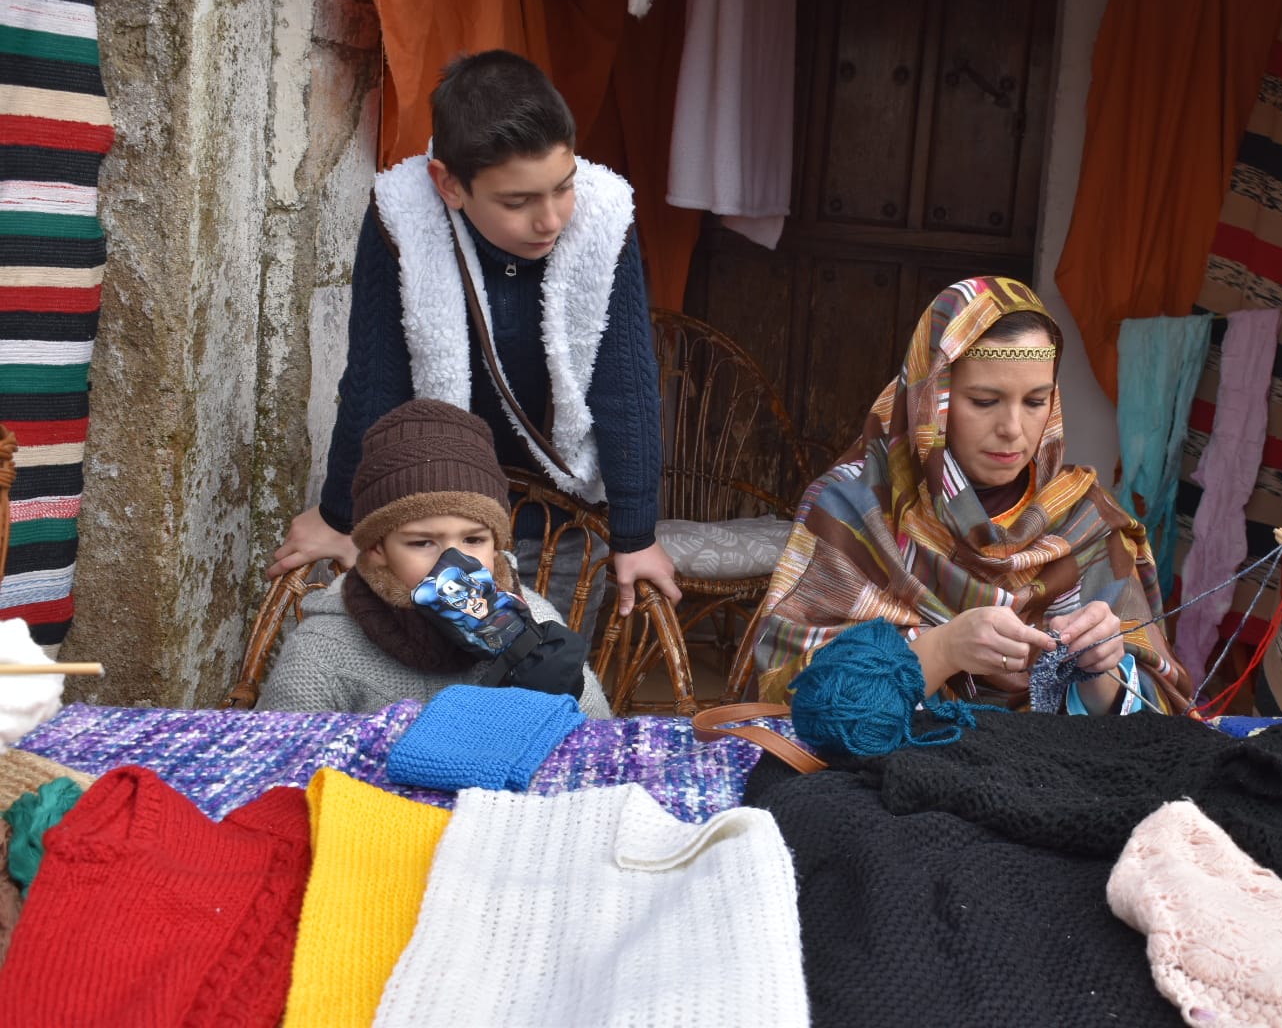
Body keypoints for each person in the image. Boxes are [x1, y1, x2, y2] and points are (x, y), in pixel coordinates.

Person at [268, 49, 679, 643]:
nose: (551, 219)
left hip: (559, 515)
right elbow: (375, 382)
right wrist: (340, 515)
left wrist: (637, 533)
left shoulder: (603, 217)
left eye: (562, 188)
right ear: (449, 185)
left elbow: (627, 385)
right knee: (432, 677)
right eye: (518, 202)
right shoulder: (401, 218)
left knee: (540, 675)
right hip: (434, 512)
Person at [753, 276, 1192, 715]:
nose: (1013, 429)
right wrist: (942, 651)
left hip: (1044, 776)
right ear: (930, 400)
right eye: (984, 401)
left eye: (1036, 401)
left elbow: (1155, 715)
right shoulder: (851, 510)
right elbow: (790, 693)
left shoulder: (1087, 520)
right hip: (882, 774)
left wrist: (1101, 673)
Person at [259, 399, 612, 717]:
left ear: (497, 544)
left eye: (474, 539)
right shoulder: (324, 648)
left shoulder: (535, 620)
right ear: (376, 548)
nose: (455, 564)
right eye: (422, 542)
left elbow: (595, 736)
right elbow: (283, 756)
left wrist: (553, 675)